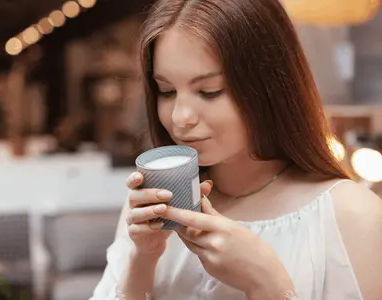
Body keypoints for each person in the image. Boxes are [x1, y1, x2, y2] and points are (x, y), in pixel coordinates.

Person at [90, 0, 382, 299]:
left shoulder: (352, 216)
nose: (180, 117)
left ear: (269, 85)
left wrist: (267, 285)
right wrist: (143, 259)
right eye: (167, 91)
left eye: (209, 91)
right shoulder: (157, 210)